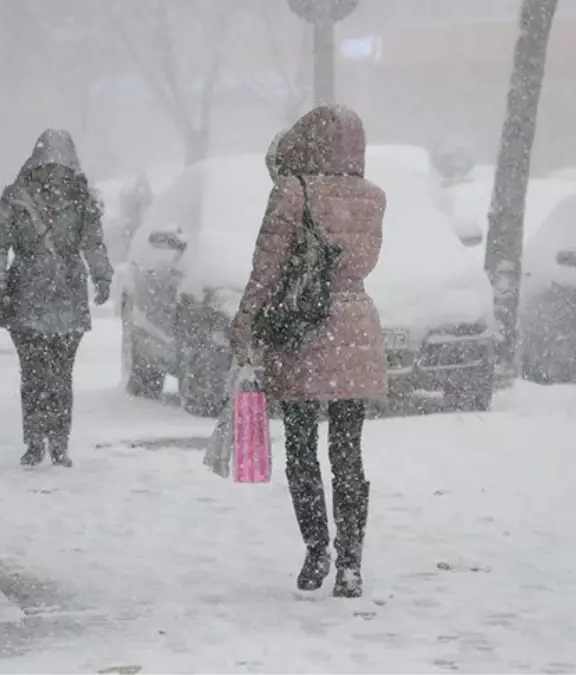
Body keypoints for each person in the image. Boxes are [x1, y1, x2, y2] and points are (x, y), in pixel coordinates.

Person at [230, 106, 387, 598]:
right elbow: (359, 263)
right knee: (348, 452)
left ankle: (317, 549)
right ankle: (352, 562)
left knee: (302, 449)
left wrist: (247, 320)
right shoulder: (373, 198)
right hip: (357, 325)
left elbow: (267, 266)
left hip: (303, 329)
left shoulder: (292, 191)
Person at [0, 129, 113, 468]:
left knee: (60, 376)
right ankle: (35, 441)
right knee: (34, 374)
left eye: (60, 164)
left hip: (68, 295)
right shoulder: (16, 198)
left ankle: (59, 441)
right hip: (27, 297)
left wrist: (102, 276)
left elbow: (93, 243)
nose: (53, 171)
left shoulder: (82, 199)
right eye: (48, 163)